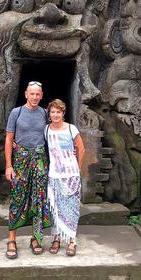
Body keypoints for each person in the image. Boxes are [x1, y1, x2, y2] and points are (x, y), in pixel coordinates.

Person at [4, 81, 50, 259]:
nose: (35, 97)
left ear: (42, 95)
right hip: (20, 161)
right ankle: (12, 239)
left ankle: (36, 238)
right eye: (32, 94)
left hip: (40, 161)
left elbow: (53, 134)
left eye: (38, 94)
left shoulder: (45, 114)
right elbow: (9, 139)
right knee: (18, 197)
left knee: (38, 198)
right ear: (25, 94)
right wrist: (9, 165)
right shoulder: (17, 113)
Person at [45, 99, 85, 257]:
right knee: (55, 208)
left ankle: (71, 241)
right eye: (52, 112)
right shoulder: (46, 129)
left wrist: (78, 168)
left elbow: (81, 149)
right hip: (54, 175)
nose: (55, 115)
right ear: (49, 113)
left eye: (58, 112)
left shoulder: (71, 129)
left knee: (71, 209)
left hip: (71, 176)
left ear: (63, 113)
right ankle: (56, 239)